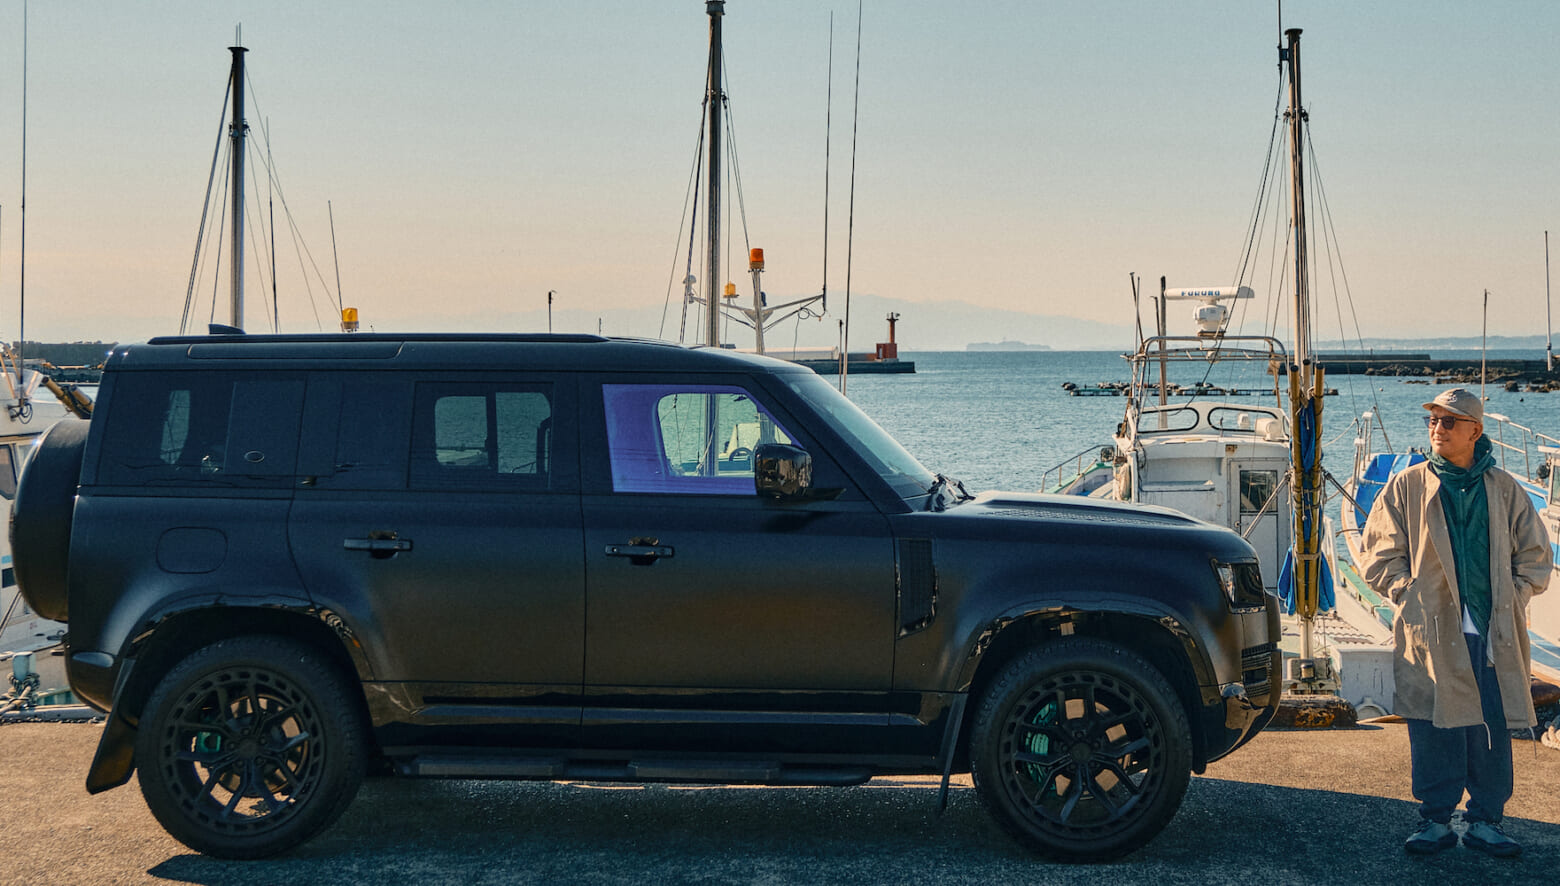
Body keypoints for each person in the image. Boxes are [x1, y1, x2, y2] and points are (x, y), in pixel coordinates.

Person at [1359, 387, 1550, 858]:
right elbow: (1378, 554)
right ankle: (1435, 820)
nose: (1437, 429)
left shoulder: (1504, 488)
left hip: (1491, 627)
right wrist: (1408, 593)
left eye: (1449, 421)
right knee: (1433, 725)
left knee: (1491, 725)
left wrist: (1516, 594)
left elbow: (1535, 554)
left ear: (1475, 431)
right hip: (1430, 627)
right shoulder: (1407, 485)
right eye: (1433, 420)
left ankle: (1487, 820)